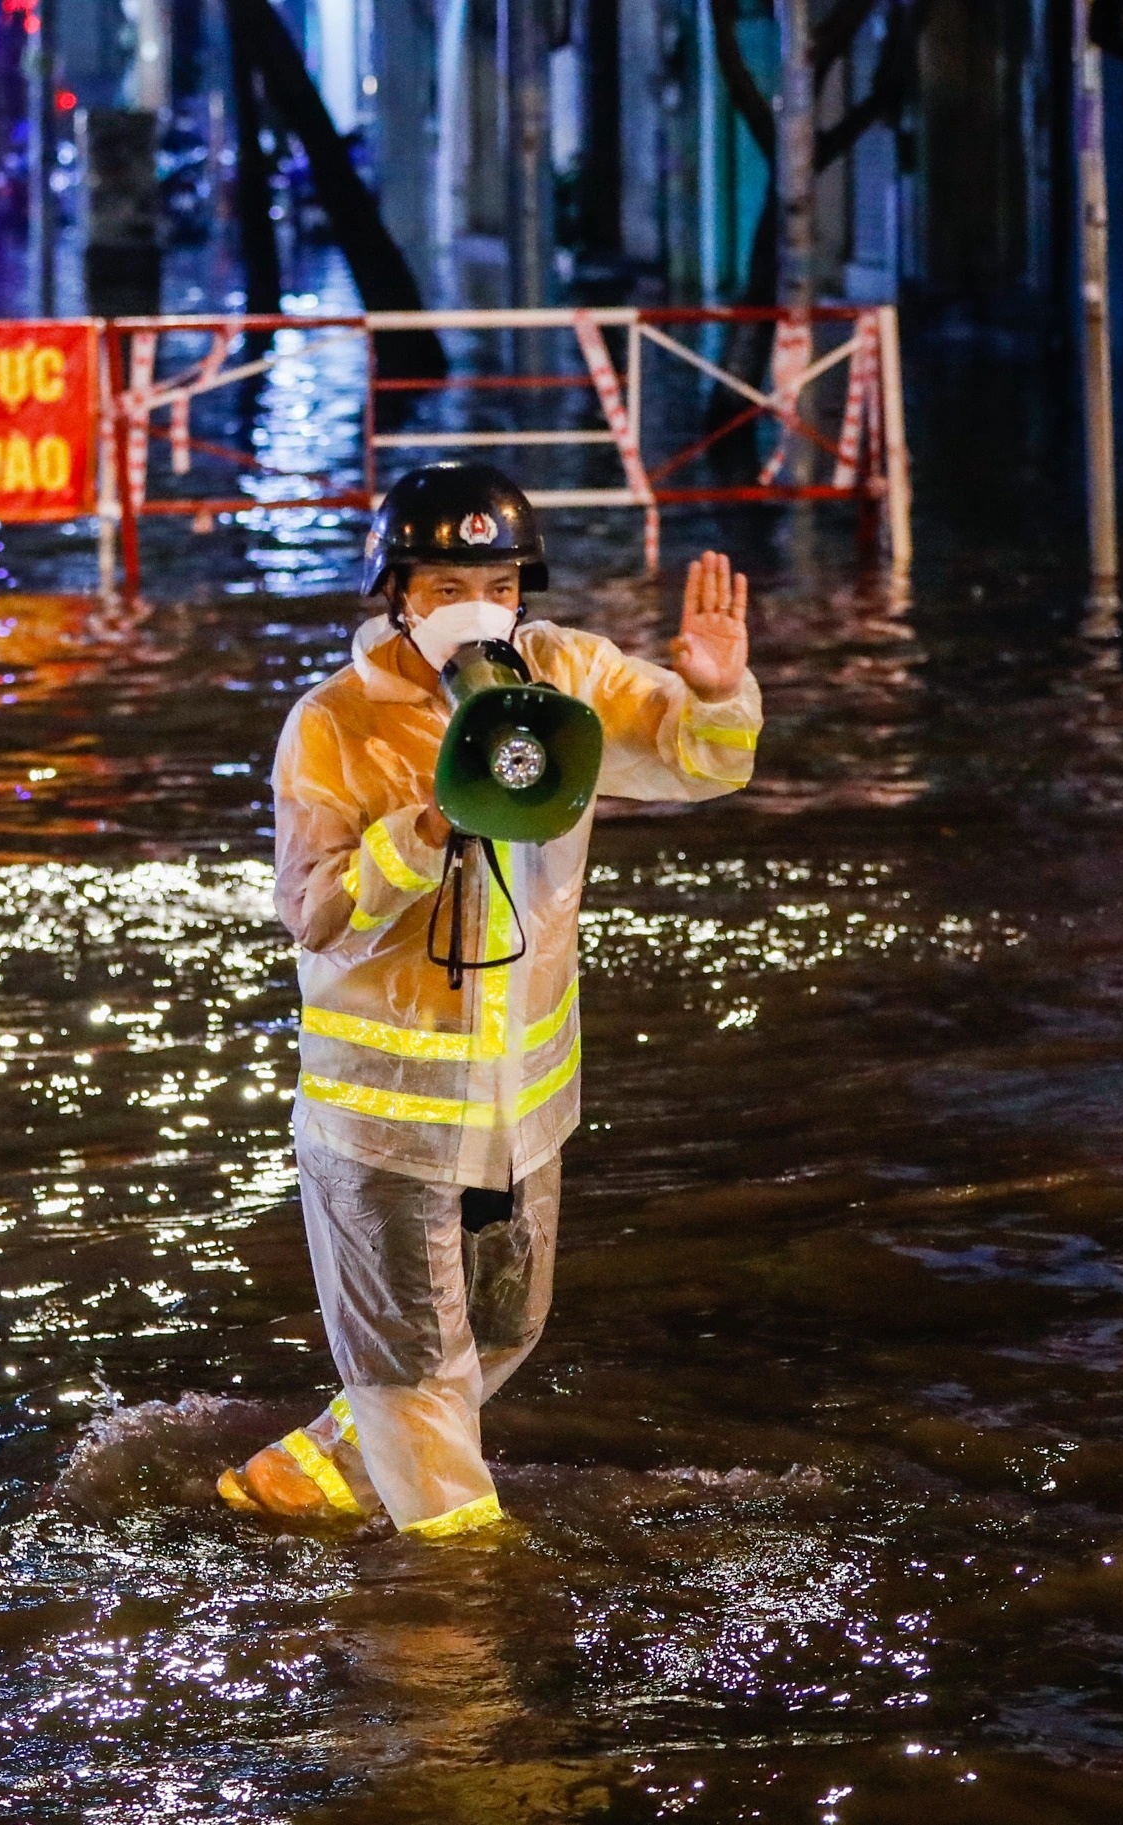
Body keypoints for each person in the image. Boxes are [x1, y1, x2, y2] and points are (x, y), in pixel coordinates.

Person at [218, 460, 761, 1542]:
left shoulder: (561, 682)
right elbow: (311, 911)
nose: (476, 604)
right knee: (417, 1385)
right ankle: (465, 1619)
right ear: (394, 590)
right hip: (385, 1126)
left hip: (521, 1113)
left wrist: (711, 690)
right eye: (443, 581)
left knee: (504, 1329)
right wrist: (423, 830)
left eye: (500, 581)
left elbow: (700, 763)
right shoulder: (331, 725)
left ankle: (309, 1471)